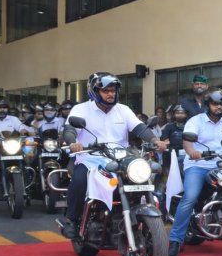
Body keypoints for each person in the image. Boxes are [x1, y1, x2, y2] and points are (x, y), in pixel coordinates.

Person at [61, 73, 166, 240]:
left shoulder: (123, 110)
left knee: (143, 177)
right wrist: (73, 142)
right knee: (79, 179)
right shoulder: (81, 109)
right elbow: (69, 130)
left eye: (113, 90)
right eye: (105, 91)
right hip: (91, 157)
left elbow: (139, 128)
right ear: (94, 91)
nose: (110, 94)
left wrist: (155, 140)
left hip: (122, 157)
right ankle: (72, 220)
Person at [168, 89, 222, 256]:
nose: (219, 107)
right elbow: (188, 142)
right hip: (198, 164)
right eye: (215, 104)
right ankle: (175, 240)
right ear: (207, 105)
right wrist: (192, 152)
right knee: (190, 197)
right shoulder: (195, 121)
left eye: (221, 104)